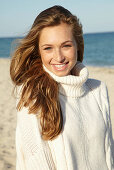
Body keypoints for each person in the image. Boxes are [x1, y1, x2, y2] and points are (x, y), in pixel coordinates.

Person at [10, 5, 114, 170]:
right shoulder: (32, 94)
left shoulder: (98, 90)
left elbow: (108, 155)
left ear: (77, 45)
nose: (58, 57)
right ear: (38, 51)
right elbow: (36, 164)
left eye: (66, 46)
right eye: (48, 48)